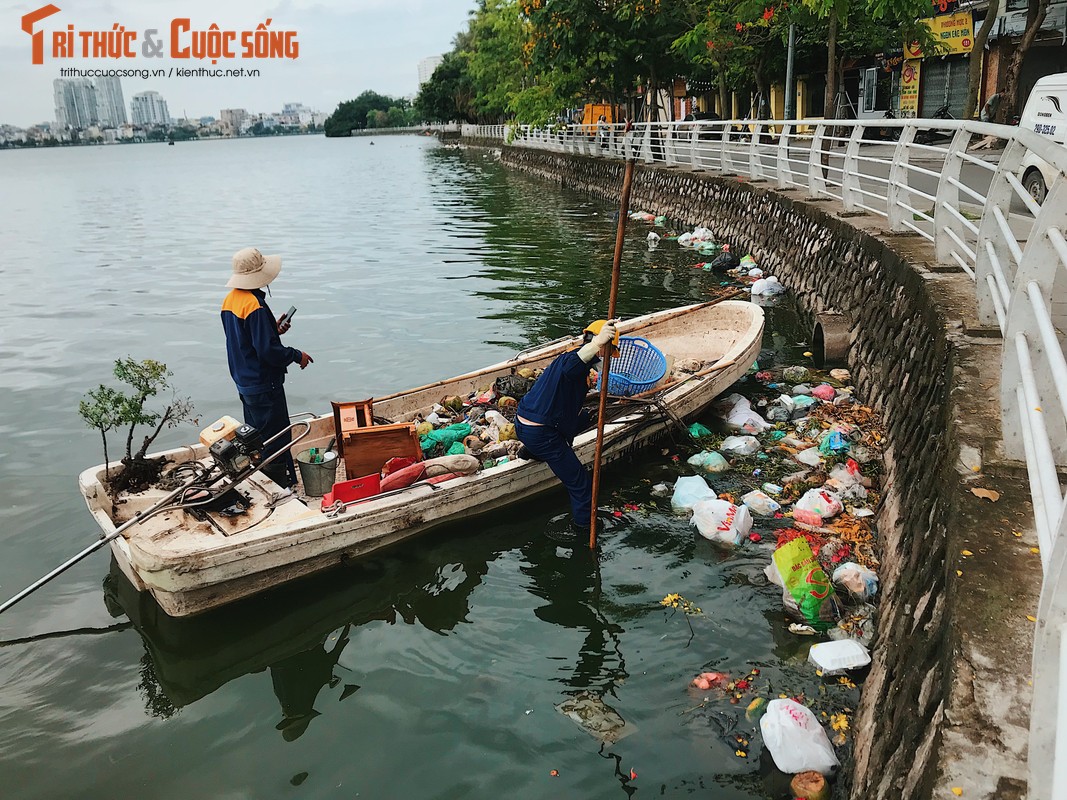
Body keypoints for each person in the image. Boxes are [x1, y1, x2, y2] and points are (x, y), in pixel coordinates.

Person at [515, 319, 619, 533]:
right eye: (608, 352)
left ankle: (532, 451)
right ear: (600, 348)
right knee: (581, 483)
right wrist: (598, 343)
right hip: (541, 433)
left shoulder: (566, 364)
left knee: (582, 418)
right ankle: (583, 527)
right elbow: (575, 363)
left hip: (523, 425)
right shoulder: (572, 363)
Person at [221, 246, 313, 488]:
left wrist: (273, 328)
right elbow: (268, 352)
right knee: (276, 439)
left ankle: (265, 481)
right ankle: (279, 488)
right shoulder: (255, 306)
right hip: (264, 384)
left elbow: (245, 341)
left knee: (255, 437)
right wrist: (296, 355)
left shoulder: (231, 301)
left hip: (245, 382)